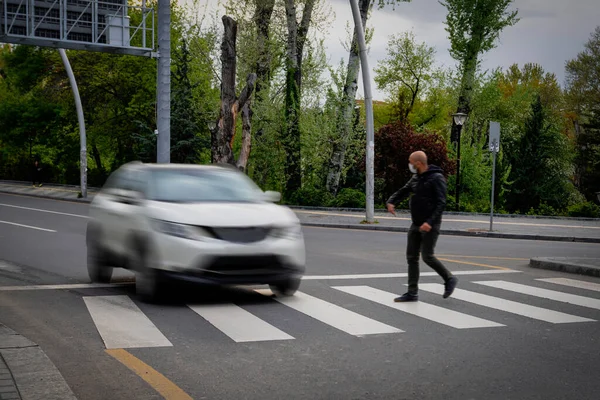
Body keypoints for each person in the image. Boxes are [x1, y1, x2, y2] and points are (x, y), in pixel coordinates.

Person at [386, 151, 458, 302]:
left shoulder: (437, 178)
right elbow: (404, 190)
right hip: (416, 223)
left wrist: (430, 222)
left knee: (427, 256)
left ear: (418, 163)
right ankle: (412, 293)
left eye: (410, 161)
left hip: (430, 225)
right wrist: (392, 201)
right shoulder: (416, 177)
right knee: (411, 257)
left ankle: (449, 278)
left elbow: (441, 203)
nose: (409, 164)